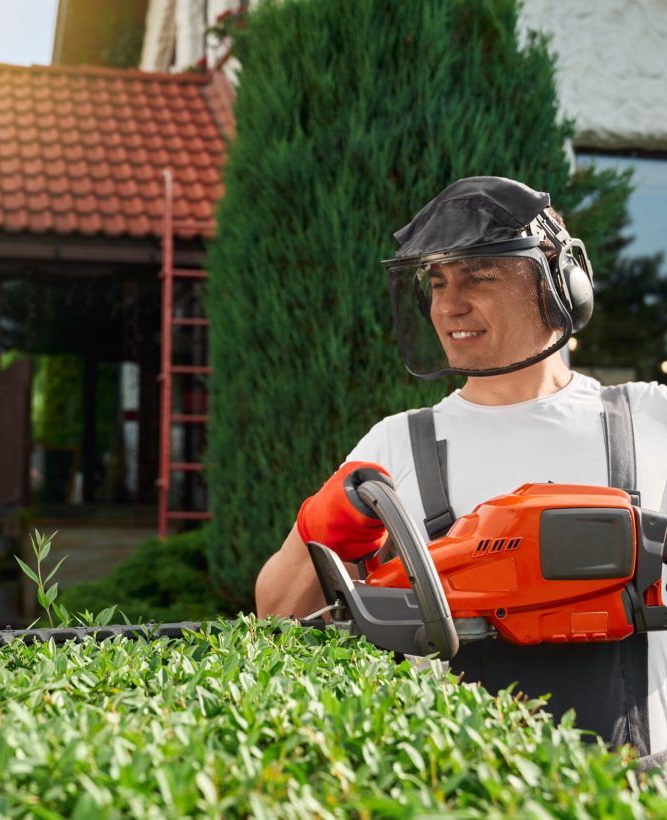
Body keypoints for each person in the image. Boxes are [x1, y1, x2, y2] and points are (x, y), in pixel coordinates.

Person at [255, 176, 667, 764]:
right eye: (438, 282)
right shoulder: (396, 443)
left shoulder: (650, 418)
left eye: (480, 277)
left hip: (637, 786)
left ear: (560, 286)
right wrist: (328, 529)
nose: (449, 305)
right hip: (462, 787)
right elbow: (276, 617)